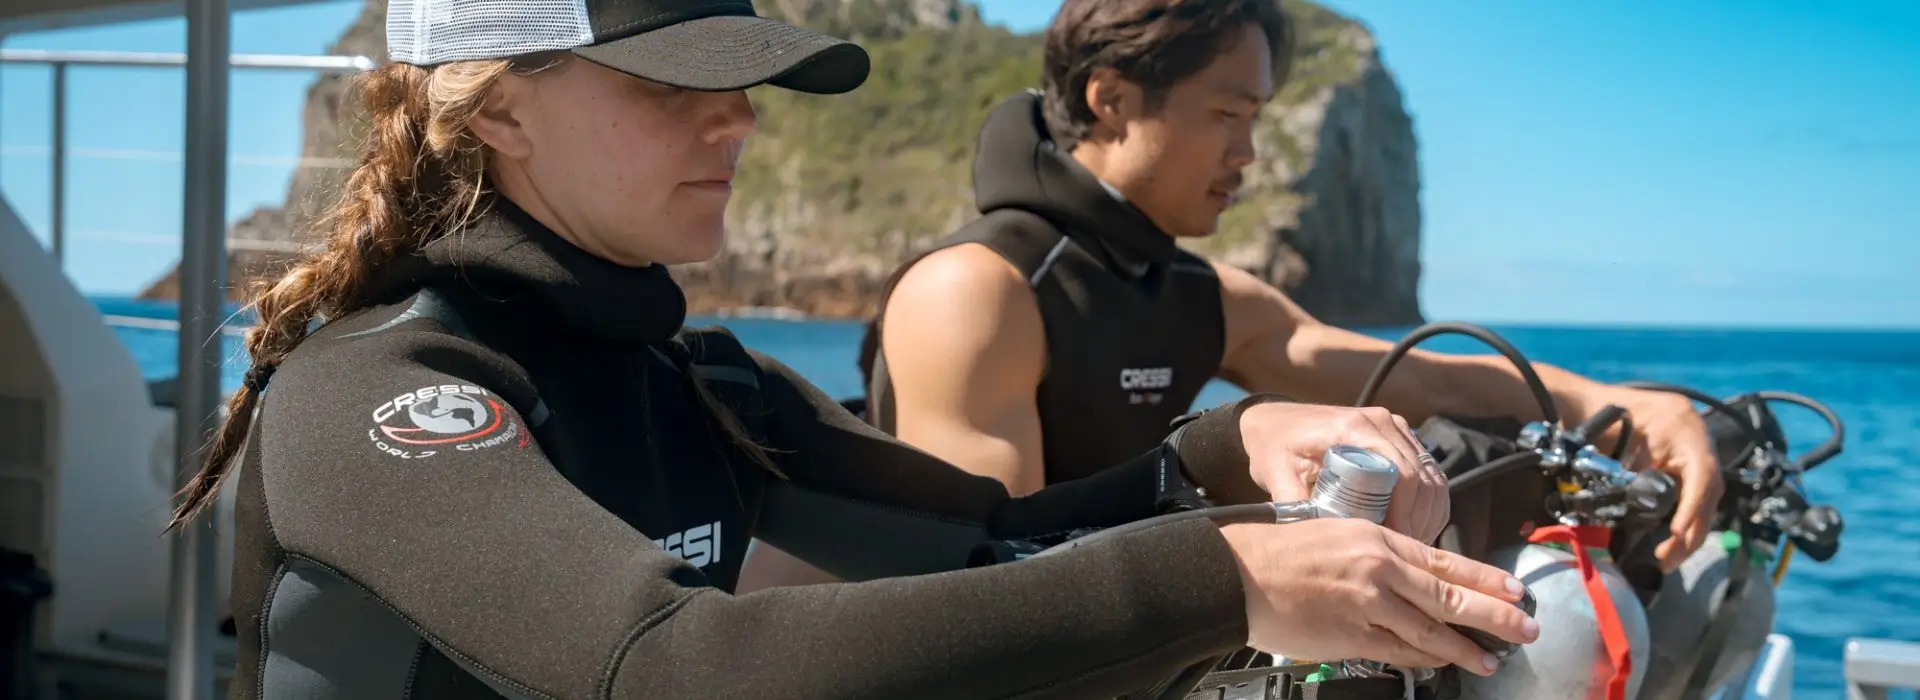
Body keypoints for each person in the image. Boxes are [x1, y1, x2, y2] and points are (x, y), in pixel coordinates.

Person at [161, 0, 1539, 697]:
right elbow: (675, 670)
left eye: (741, 81)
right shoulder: (380, 398)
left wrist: (1218, 458)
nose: (740, 121)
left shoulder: (692, 377)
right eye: (670, 80)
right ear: (501, 109)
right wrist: (1220, 578)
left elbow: (991, 544)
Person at [736, 0, 1721, 592]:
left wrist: (1622, 404)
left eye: (1257, 120)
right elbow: (994, 577)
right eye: (1227, 116)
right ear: (1111, 101)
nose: (1249, 155)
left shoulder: (1203, 296)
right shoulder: (978, 293)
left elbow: (1419, 378)